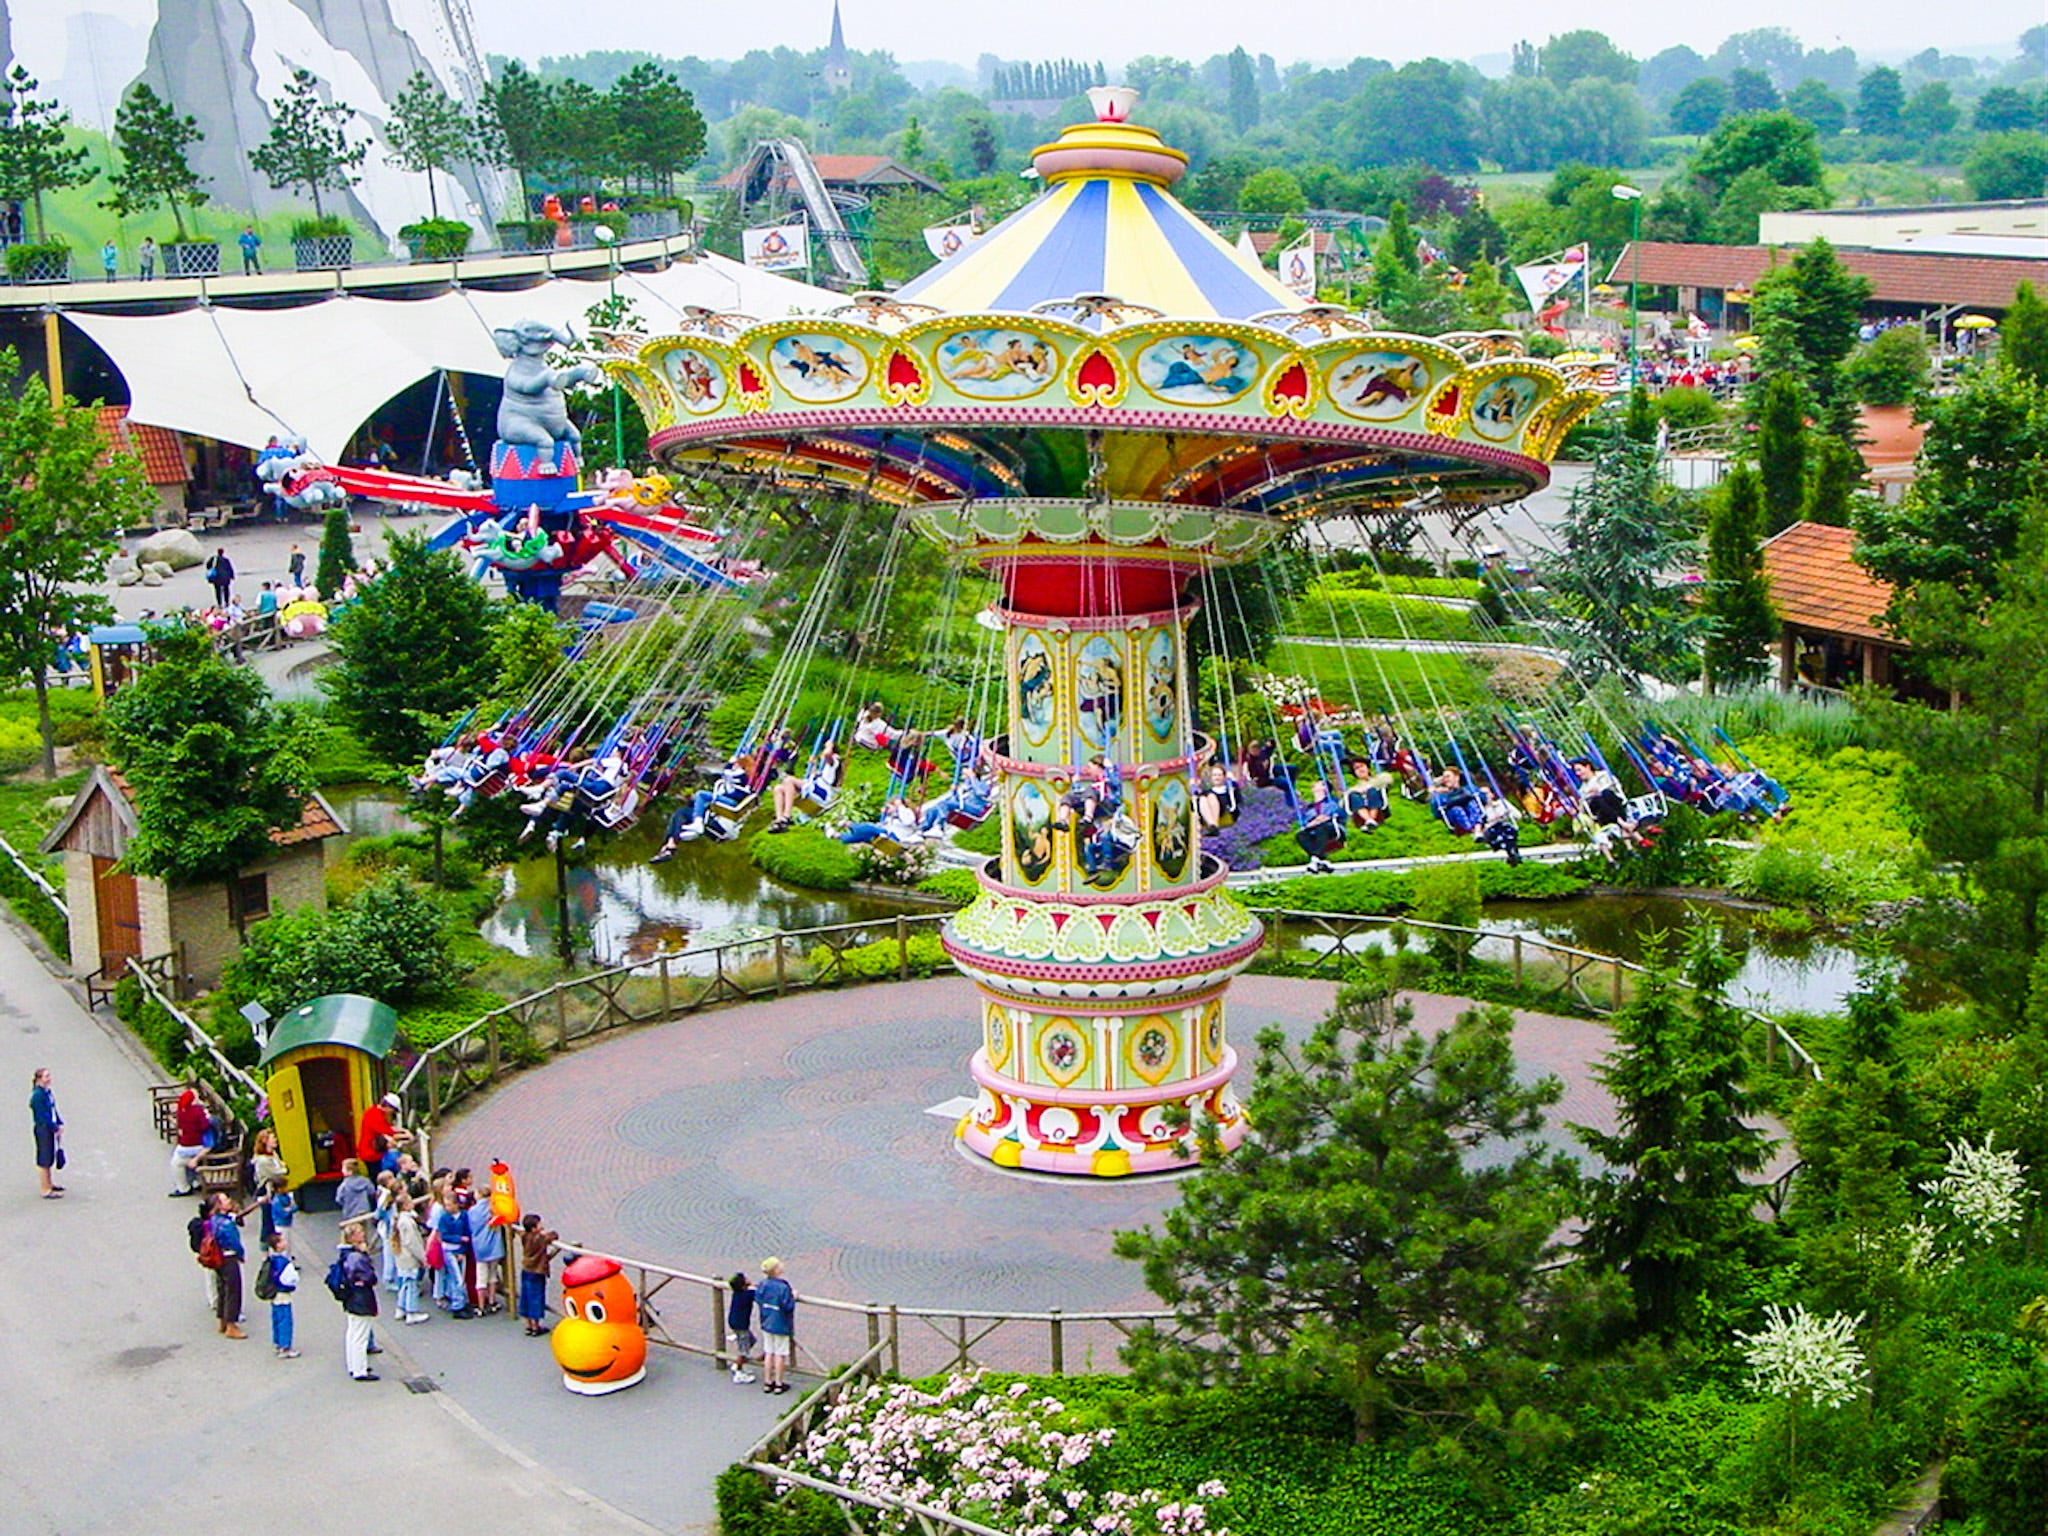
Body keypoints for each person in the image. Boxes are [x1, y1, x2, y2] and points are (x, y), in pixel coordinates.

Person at [335, 1223, 381, 1380]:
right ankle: (360, 1370)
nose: (363, 1234)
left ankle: (354, 1365)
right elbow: (370, 1277)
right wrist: (365, 1255)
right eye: (360, 1232)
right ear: (353, 1237)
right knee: (361, 1335)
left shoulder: (345, 1254)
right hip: (361, 1298)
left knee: (353, 1333)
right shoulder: (357, 1257)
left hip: (351, 1297)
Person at [209, 1192, 248, 1340]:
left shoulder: (214, 1220)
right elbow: (234, 1242)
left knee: (222, 1289)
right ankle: (231, 1325)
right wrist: (241, 1253)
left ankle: (222, 1320)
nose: (229, 1201)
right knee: (233, 1291)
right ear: (219, 1205)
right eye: (225, 1200)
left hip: (218, 1258)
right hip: (229, 1257)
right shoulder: (227, 1224)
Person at [756, 1256, 796, 1395]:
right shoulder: (783, 1287)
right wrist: (793, 1297)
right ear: (776, 1270)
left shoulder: (762, 1284)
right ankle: (779, 1383)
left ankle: (768, 1382)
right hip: (781, 1323)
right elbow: (788, 1305)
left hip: (767, 1321)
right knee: (780, 1354)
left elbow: (758, 1299)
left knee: (769, 1352)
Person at [262, 1230, 300, 1358]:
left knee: (277, 1318)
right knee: (285, 1320)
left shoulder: (271, 1260)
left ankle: (278, 1342)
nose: (286, 1242)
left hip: (274, 1294)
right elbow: (288, 1278)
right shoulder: (284, 1262)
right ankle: (286, 1347)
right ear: (278, 1245)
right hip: (283, 1293)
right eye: (282, 1240)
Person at [518, 1214, 558, 1336]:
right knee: (536, 1297)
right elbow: (552, 1236)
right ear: (534, 1228)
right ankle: (536, 1326)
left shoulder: (524, 1236)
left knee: (526, 1296)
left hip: (526, 1270)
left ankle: (529, 1324)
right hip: (537, 1272)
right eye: (539, 1224)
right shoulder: (539, 1239)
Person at [392, 1191, 428, 1323]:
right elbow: (412, 1242)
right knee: (411, 1285)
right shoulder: (408, 1222)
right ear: (406, 1205)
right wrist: (423, 1257)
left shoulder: (400, 1219)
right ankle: (412, 1312)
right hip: (409, 1258)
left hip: (402, 1257)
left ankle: (401, 1308)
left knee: (405, 1284)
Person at [168, 1086, 212, 1196]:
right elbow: (204, 1126)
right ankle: (194, 1181)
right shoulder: (198, 1111)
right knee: (184, 1160)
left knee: (176, 1162)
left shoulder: (181, 1111)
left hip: (188, 1145)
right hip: (198, 1144)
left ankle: (183, 1187)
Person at [468, 1196, 505, 1314]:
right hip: (494, 1248)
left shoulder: (472, 1211)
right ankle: (492, 1301)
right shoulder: (494, 1210)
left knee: (481, 1278)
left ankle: (481, 1306)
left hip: (480, 1248)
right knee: (492, 1276)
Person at [357, 1092, 408, 1175]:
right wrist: (406, 1136)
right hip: (371, 1153)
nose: (392, 1113)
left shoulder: (375, 1112)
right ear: (388, 1106)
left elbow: (389, 1129)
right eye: (393, 1110)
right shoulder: (375, 1116)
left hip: (374, 1152)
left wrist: (402, 1131)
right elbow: (388, 1133)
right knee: (377, 1175)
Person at [29, 1067, 62, 1199]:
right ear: (39, 1079)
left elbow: (53, 1110)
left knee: (49, 1157)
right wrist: (54, 1127)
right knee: (44, 1158)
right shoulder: (38, 1095)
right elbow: (42, 1115)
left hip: (49, 1127)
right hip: (43, 1128)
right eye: (46, 1076)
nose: (49, 1079)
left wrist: (59, 1122)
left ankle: (49, 1183)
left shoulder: (47, 1092)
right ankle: (45, 1189)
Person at [727, 1270, 758, 1384]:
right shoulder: (748, 1295)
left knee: (752, 1340)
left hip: (735, 1322)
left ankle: (738, 1363)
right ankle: (739, 1372)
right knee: (744, 1351)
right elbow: (758, 1293)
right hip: (741, 1325)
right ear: (744, 1284)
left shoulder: (738, 1293)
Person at [334, 1158, 376, 1223]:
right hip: (363, 1210)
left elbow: (339, 1199)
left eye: (343, 1169)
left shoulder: (344, 1185)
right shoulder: (365, 1181)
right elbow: (372, 1192)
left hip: (350, 1211)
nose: (342, 1170)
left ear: (350, 1172)